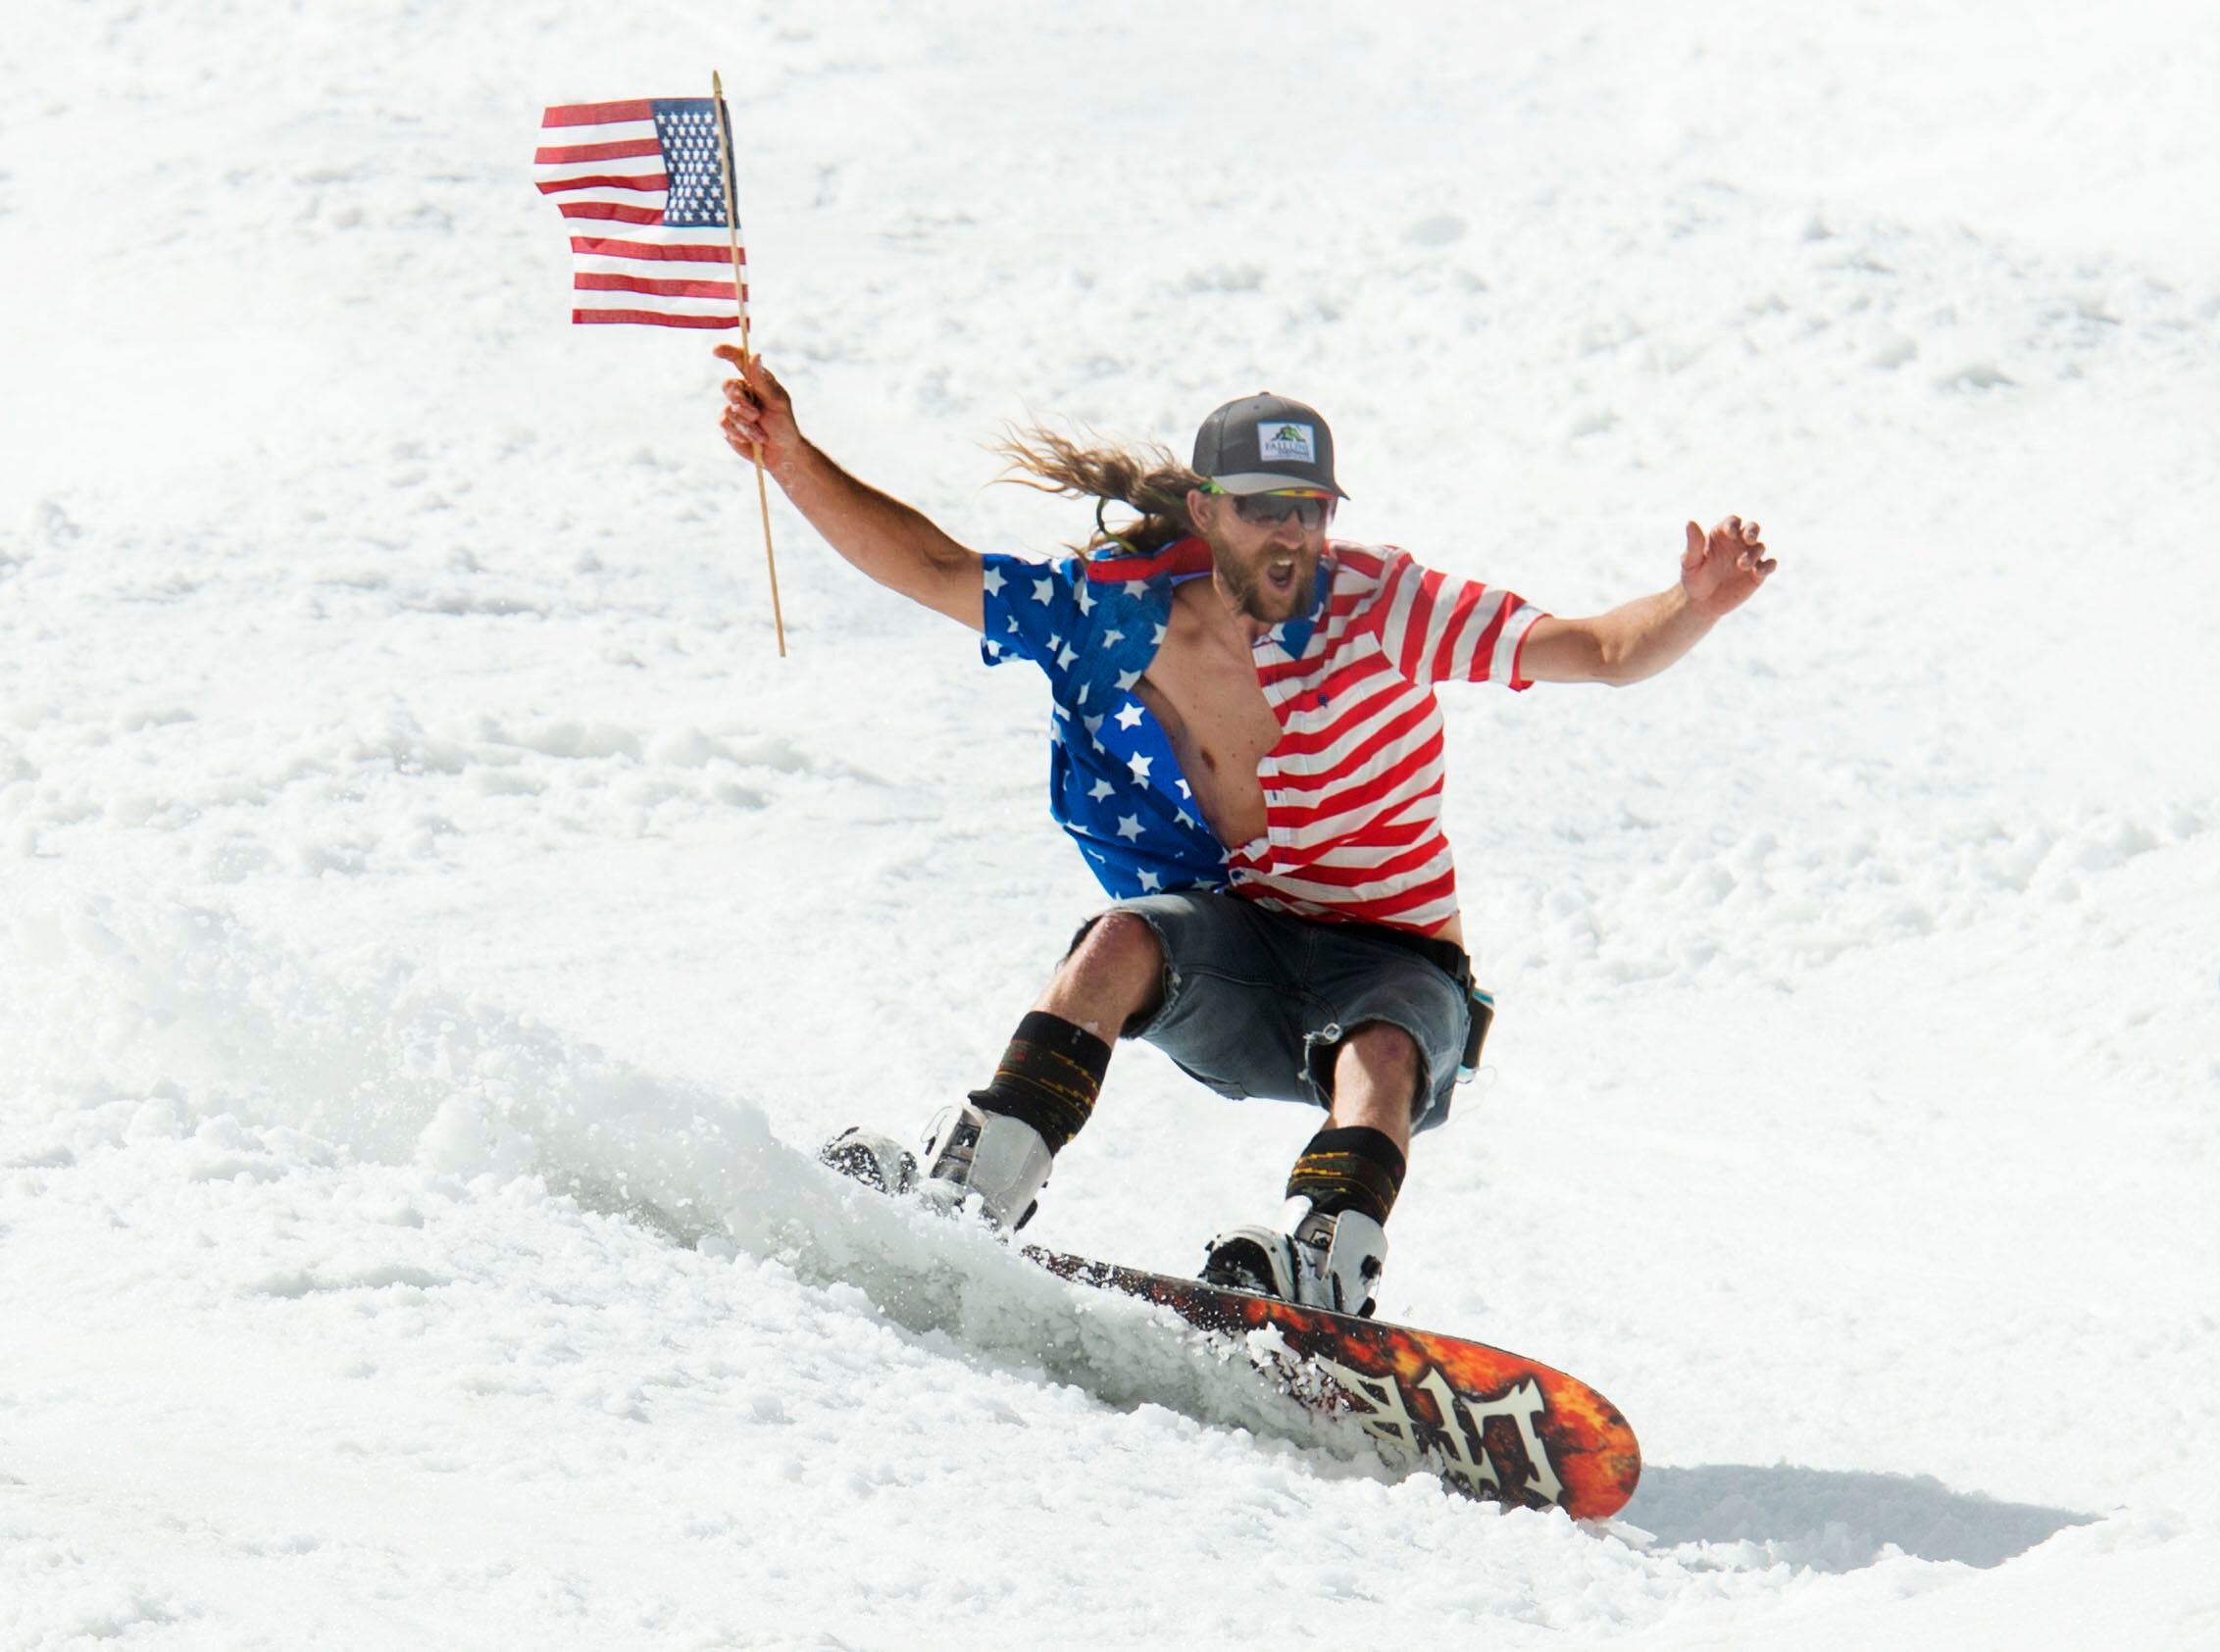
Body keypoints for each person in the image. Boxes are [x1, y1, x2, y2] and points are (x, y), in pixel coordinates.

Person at [714, 343, 1776, 1317]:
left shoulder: (1379, 603)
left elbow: (1589, 648)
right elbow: (939, 571)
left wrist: (1688, 607)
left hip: (1399, 961)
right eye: (1266, 509)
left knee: (1381, 1038)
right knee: (1118, 939)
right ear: (1204, 510)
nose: (1294, 536)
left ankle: (1324, 1265)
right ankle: (974, 1187)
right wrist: (794, 459)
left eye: (1309, 510)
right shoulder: (1113, 615)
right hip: (1247, 963)